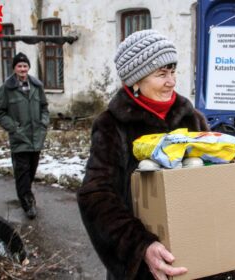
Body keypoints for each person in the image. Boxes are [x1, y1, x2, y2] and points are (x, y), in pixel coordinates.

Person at [77, 29, 209, 280]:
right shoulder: (112, 126)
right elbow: (95, 196)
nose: (171, 81)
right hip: (145, 268)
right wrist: (140, 246)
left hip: (194, 257)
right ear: (136, 80)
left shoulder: (191, 117)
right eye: (161, 74)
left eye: (172, 72)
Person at [0, 52, 49, 219]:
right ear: (14, 68)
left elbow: (44, 107)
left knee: (31, 171)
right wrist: (13, 127)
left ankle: (26, 194)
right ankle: (27, 203)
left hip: (36, 137)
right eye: (19, 66)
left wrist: (43, 122)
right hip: (19, 138)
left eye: (25, 66)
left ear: (28, 68)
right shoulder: (7, 88)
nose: (23, 69)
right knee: (22, 172)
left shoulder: (36, 86)